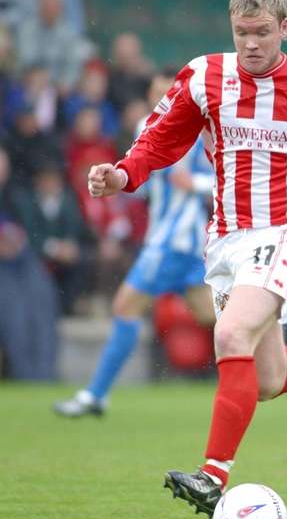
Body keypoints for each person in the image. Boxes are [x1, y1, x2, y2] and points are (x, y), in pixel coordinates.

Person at [84, 0, 287, 518]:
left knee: (230, 334)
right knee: (267, 379)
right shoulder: (205, 76)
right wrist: (122, 173)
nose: (251, 44)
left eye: (262, 33)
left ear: (284, 29)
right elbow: (161, 139)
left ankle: (212, 476)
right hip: (228, 237)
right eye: (242, 33)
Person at [53, 69, 217, 417]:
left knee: (125, 306)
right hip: (177, 241)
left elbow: (222, 178)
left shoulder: (196, 128)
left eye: (169, 91)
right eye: (158, 92)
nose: (165, 98)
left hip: (173, 240)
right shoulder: (151, 125)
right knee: (215, 315)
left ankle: (95, 395)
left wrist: (196, 185)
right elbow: (143, 180)